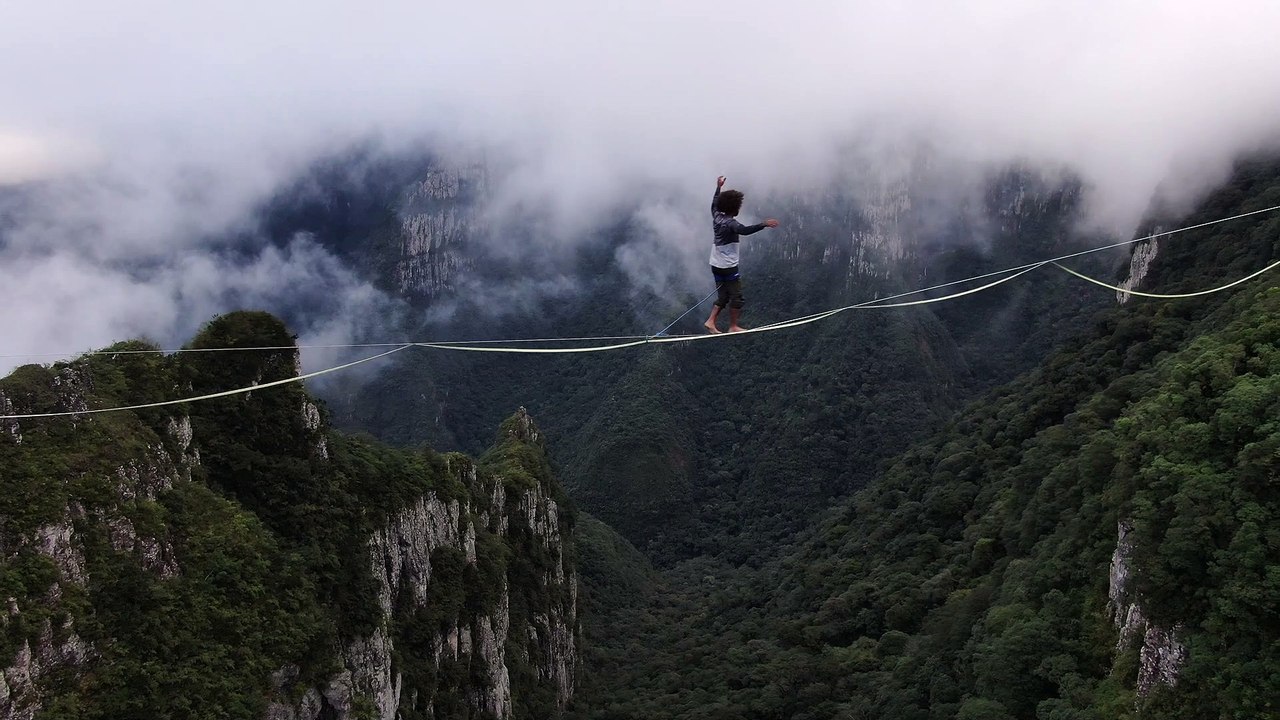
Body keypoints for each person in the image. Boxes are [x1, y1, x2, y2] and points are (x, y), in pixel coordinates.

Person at [705, 175, 779, 333]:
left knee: (723, 296)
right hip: (728, 266)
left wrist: (718, 187)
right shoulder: (731, 223)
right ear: (735, 208)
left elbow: (714, 202)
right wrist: (763, 224)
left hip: (715, 264)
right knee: (737, 297)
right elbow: (744, 230)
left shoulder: (716, 216)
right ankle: (733, 326)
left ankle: (711, 321)